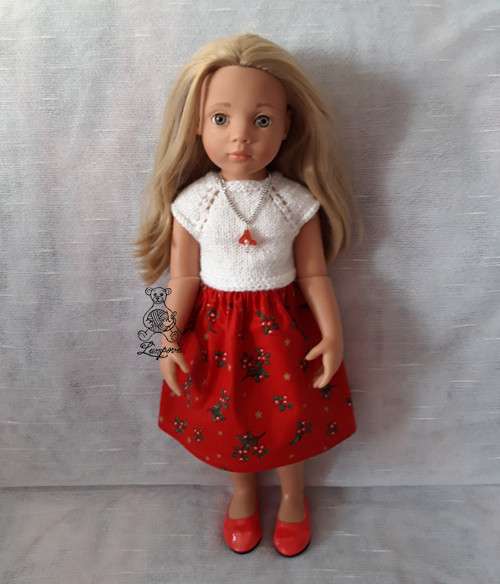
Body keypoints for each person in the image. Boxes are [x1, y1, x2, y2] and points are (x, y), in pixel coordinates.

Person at [134, 32, 364, 557]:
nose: (240, 136)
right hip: (218, 334)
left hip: (282, 331)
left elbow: (314, 276)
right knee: (228, 419)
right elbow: (181, 281)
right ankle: (242, 492)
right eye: (221, 118)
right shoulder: (192, 205)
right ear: (197, 125)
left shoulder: (294, 202)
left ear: (287, 126)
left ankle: (293, 495)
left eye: (261, 120)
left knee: (290, 418)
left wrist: (333, 333)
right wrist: (163, 340)